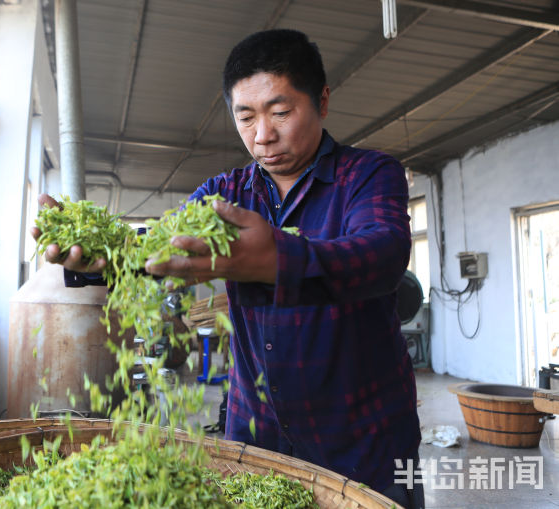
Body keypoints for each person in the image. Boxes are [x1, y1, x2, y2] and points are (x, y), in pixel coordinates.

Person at [33, 29, 423, 508]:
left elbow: (382, 256)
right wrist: (101, 256)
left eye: (280, 112)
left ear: (321, 100)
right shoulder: (223, 194)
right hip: (256, 430)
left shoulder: (368, 174)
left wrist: (281, 260)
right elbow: (159, 250)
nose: (263, 135)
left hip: (363, 437)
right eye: (246, 117)